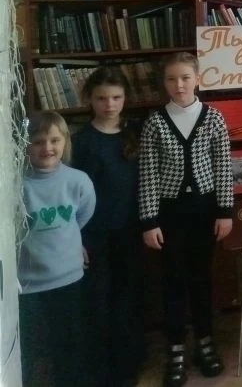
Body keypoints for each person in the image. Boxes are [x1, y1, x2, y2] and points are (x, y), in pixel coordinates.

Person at [139, 53, 233, 387]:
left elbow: (223, 167)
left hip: (204, 211)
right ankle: (176, 347)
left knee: (202, 278)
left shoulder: (214, 118)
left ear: (197, 79)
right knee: (173, 280)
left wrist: (225, 211)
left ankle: (205, 342)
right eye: (171, 79)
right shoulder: (155, 123)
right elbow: (148, 174)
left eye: (185, 78)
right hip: (169, 213)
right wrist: (149, 220)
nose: (179, 85)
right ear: (164, 83)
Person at [73, 66, 145, 386]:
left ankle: (129, 364)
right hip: (94, 235)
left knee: (129, 298)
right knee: (99, 300)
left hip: (131, 231)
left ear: (125, 98)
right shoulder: (80, 142)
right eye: (102, 98)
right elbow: (70, 196)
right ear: (90, 99)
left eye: (116, 97)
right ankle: (103, 369)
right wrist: (77, 238)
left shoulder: (135, 134)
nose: (110, 105)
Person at [19, 111, 96, 387]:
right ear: (27, 145)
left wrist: (71, 242)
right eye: (38, 141)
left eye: (54, 140)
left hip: (69, 278)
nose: (47, 148)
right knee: (30, 348)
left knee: (69, 344)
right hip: (28, 284)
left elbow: (82, 216)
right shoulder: (17, 185)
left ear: (65, 142)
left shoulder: (78, 181)